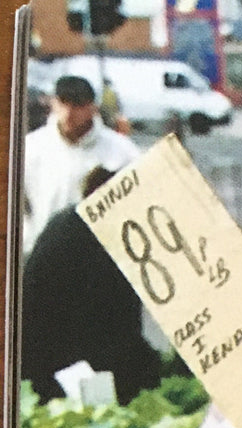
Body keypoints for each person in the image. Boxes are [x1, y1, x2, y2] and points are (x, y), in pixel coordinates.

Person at [22, 165, 163, 403]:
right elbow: (115, 335)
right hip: (63, 372)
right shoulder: (101, 243)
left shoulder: (65, 223)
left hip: (38, 366)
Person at [23, 74, 139, 255]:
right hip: (42, 255)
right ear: (53, 103)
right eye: (63, 103)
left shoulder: (122, 152)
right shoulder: (30, 148)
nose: (69, 113)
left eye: (78, 105)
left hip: (98, 257)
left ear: (93, 108)